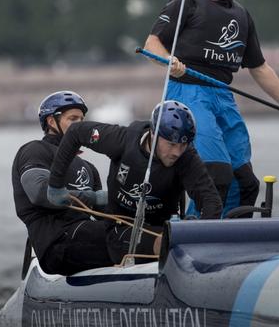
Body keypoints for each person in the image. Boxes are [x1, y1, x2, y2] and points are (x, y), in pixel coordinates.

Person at [143, 0, 279, 217]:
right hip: (188, 91)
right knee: (216, 174)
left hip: (223, 95)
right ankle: (194, 235)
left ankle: (234, 236)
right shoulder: (187, 2)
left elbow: (260, 68)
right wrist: (169, 61)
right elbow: (151, 44)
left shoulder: (242, 15)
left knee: (246, 182)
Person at [48, 100, 223, 264]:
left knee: (177, 236)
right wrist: (55, 185)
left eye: (182, 146)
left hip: (165, 226)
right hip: (121, 229)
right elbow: (76, 132)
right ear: (154, 135)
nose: (177, 152)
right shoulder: (121, 139)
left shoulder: (187, 157)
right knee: (167, 241)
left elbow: (211, 201)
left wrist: (202, 237)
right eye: (171, 144)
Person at [11, 90, 112, 275]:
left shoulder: (88, 167)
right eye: (73, 119)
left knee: (137, 232)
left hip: (84, 234)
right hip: (56, 245)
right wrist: (95, 197)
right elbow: (40, 193)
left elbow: (105, 214)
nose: (80, 125)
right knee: (127, 239)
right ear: (51, 122)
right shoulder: (35, 150)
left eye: (82, 120)